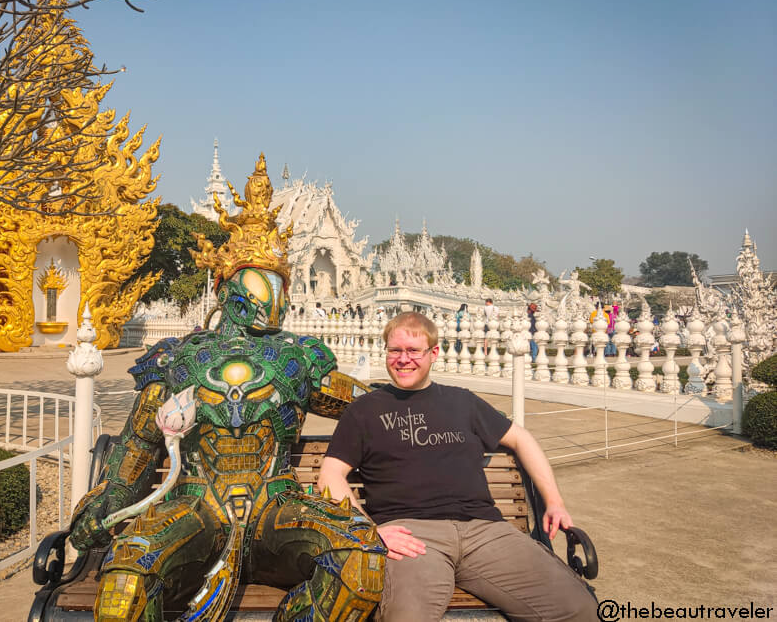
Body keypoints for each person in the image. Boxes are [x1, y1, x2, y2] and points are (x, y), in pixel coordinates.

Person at [69, 155, 385, 621]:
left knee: (362, 562)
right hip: (195, 506)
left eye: (278, 284)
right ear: (228, 287)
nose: (269, 297)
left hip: (277, 508)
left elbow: (368, 407)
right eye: (260, 283)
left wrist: (430, 405)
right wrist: (110, 497)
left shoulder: (299, 358)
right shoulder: (178, 358)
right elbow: (139, 443)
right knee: (124, 585)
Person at [319, 312, 597, 622]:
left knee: (580, 609)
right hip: (412, 535)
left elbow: (521, 439)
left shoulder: (462, 402)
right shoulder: (364, 410)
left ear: (433, 353)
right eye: (394, 350)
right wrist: (369, 531)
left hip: (485, 531)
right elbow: (331, 475)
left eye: (413, 351)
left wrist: (554, 503)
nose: (403, 359)